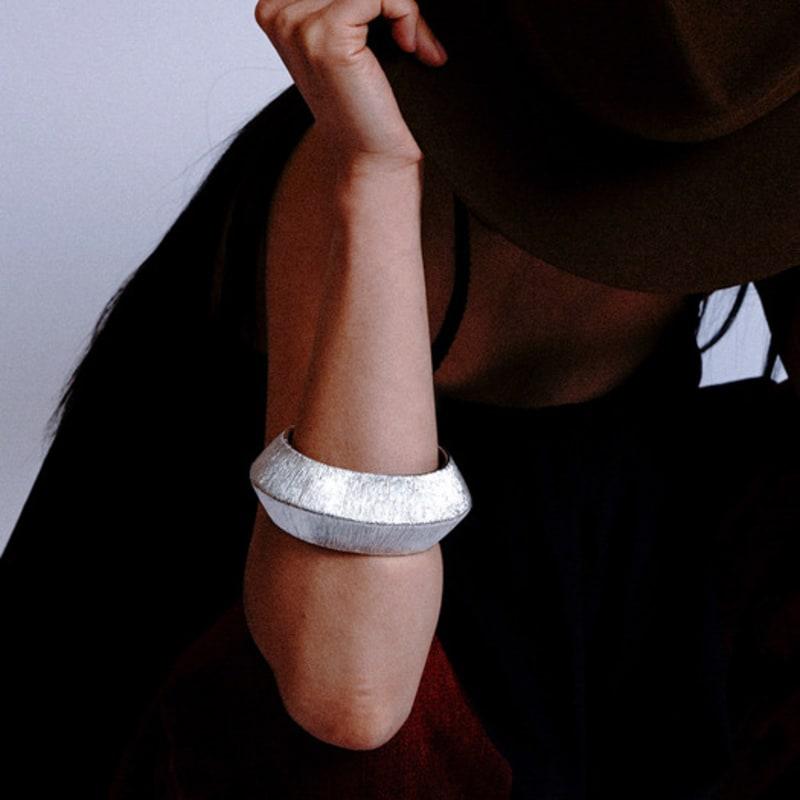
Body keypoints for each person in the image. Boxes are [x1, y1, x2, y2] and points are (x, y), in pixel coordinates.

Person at [1, 2, 797, 798]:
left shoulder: (754, 139)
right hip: (291, 694)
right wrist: (375, 176)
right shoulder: (362, 160)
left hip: (604, 650)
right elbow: (351, 700)